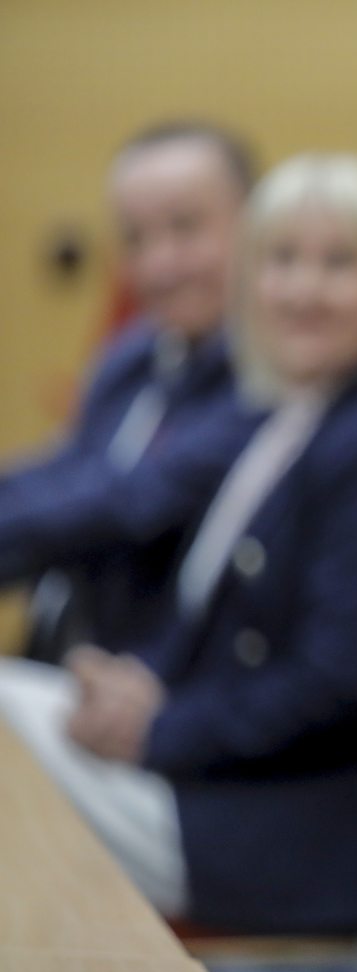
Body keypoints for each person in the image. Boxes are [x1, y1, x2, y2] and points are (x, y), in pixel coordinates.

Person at [0, 153, 357, 936]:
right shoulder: (288, 414)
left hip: (265, 829)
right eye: (281, 261)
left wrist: (161, 727)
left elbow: (331, 688)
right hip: (195, 765)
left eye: (339, 263)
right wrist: (141, 687)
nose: (303, 290)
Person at [0, 122, 252, 659]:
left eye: (186, 229)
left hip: (146, 695)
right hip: (55, 665)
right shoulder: (135, 352)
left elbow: (130, 503)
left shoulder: (270, 381)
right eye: (135, 238)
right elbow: (67, 471)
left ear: (258, 226)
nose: (159, 265)